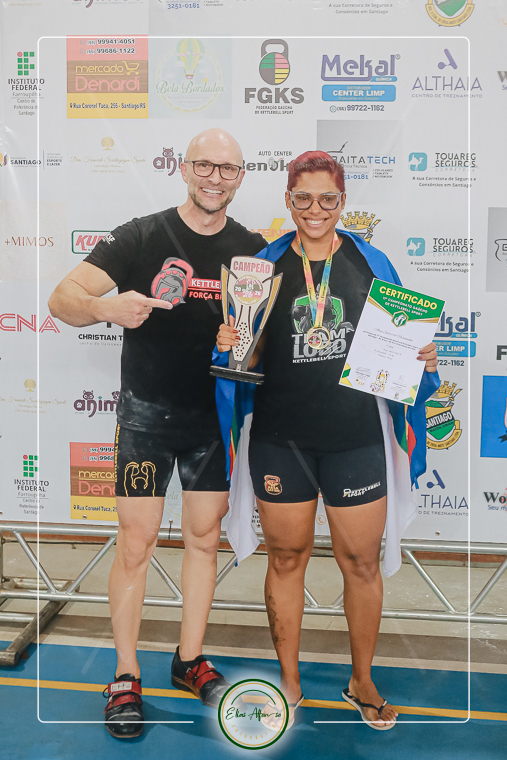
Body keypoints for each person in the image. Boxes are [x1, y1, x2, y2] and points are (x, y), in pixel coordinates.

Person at [48, 128, 266, 738]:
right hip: (145, 419)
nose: (215, 177)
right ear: (184, 168)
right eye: (204, 165)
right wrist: (106, 307)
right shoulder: (141, 235)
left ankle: (189, 660)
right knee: (136, 543)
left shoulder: (252, 250)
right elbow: (62, 298)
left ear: (240, 177)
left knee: (204, 540)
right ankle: (125, 674)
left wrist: (242, 343)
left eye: (228, 168)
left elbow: (270, 337)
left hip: (212, 423)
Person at [215, 151, 439, 731]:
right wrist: (229, 344)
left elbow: (401, 352)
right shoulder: (261, 268)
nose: (315, 210)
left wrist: (421, 360)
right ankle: (289, 682)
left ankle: (361, 681)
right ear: (287, 201)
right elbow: (243, 362)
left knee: (361, 563)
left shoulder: (371, 262)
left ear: (343, 202)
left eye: (328, 199)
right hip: (280, 441)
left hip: (354, 439)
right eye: (303, 198)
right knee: (286, 558)